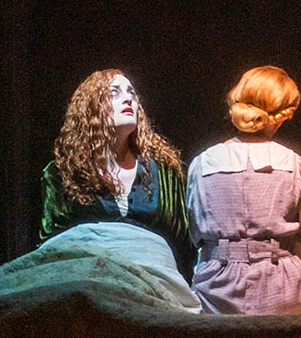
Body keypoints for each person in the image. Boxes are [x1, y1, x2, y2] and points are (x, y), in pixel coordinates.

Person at [39, 68, 200, 312]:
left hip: (156, 291)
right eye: (114, 93)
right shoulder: (62, 172)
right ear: (91, 108)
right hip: (87, 293)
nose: (128, 99)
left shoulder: (164, 172)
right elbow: (52, 245)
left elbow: (182, 242)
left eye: (131, 93)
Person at [187, 66, 301, 315]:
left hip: (216, 290)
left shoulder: (202, 162)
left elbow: (196, 232)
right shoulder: (294, 163)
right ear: (283, 115)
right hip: (284, 290)